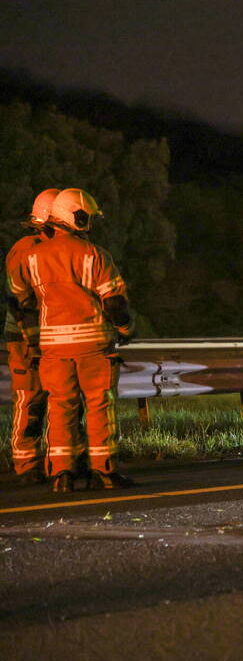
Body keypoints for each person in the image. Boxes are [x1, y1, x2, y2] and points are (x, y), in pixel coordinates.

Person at [12, 188, 135, 492]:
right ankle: (103, 471)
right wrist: (125, 330)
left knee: (59, 407)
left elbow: (21, 305)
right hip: (93, 347)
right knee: (98, 406)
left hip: (52, 349)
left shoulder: (31, 256)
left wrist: (34, 343)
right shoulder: (93, 254)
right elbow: (115, 303)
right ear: (78, 218)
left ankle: (61, 475)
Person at [5, 189, 58, 484]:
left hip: (52, 336)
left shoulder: (55, 248)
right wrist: (33, 339)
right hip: (27, 339)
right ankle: (26, 464)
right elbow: (19, 299)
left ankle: (56, 460)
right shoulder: (26, 248)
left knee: (58, 400)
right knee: (30, 399)